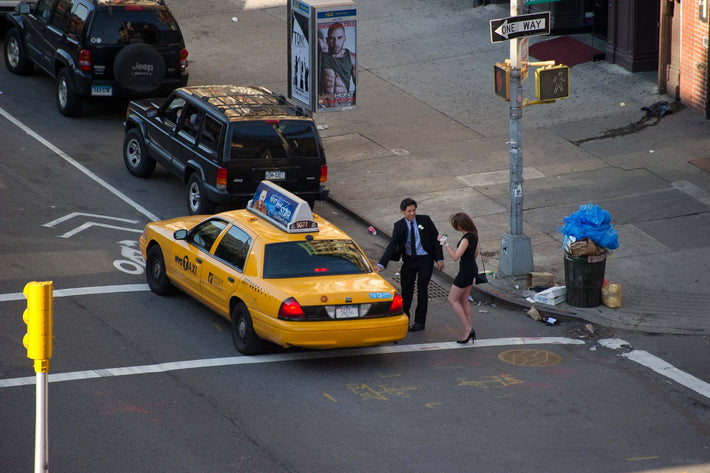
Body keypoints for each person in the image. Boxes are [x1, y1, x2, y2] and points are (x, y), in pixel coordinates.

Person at [375, 198, 444, 332]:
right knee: (406, 291)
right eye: (409, 211)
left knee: (422, 289)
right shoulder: (399, 225)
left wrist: (439, 259)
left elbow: (436, 240)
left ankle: (419, 322)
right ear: (402, 212)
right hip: (409, 260)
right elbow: (392, 245)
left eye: (414, 210)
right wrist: (381, 264)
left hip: (425, 259)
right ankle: (404, 320)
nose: (412, 214)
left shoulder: (425, 220)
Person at [439, 212, 479, 344]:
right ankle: (470, 328)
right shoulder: (474, 235)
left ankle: (468, 329)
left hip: (465, 271)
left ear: (461, 226)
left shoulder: (466, 239)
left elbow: (456, 257)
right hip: (472, 269)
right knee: (464, 299)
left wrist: (445, 244)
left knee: (452, 299)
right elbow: (476, 253)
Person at [318, 22, 356, 107]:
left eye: (339, 38)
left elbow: (359, 87)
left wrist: (352, 104)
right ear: (327, 40)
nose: (336, 43)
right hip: (323, 105)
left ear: (344, 38)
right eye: (332, 39)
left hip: (342, 106)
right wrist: (319, 41)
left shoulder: (352, 58)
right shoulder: (321, 55)